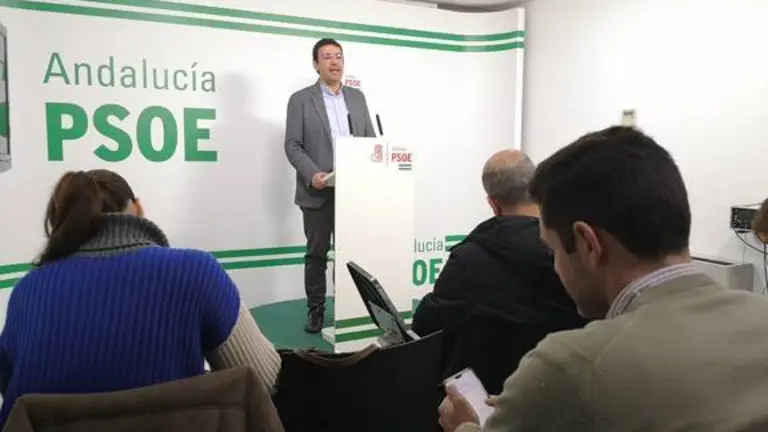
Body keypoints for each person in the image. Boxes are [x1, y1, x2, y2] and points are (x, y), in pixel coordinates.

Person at [439, 126, 768, 432]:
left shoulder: (570, 365)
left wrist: (465, 426)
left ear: (588, 245)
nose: (555, 267)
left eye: (553, 249)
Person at [0, 170, 281, 427]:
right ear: (138, 209)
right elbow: (265, 379)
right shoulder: (195, 271)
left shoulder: (27, 292)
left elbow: (15, 396)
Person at [412, 150, 587, 391]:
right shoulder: (574, 252)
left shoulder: (469, 260)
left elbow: (427, 325)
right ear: (538, 191)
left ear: (493, 204)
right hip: (567, 392)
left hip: (488, 399)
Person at [284, 38, 376, 333]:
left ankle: (348, 309)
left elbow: (370, 141)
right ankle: (316, 310)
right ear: (316, 64)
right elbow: (292, 145)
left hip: (352, 190)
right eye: (327, 57)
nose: (335, 62)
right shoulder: (300, 100)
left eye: (339, 56)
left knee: (350, 254)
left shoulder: (357, 98)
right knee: (317, 255)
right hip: (318, 190)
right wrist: (314, 174)